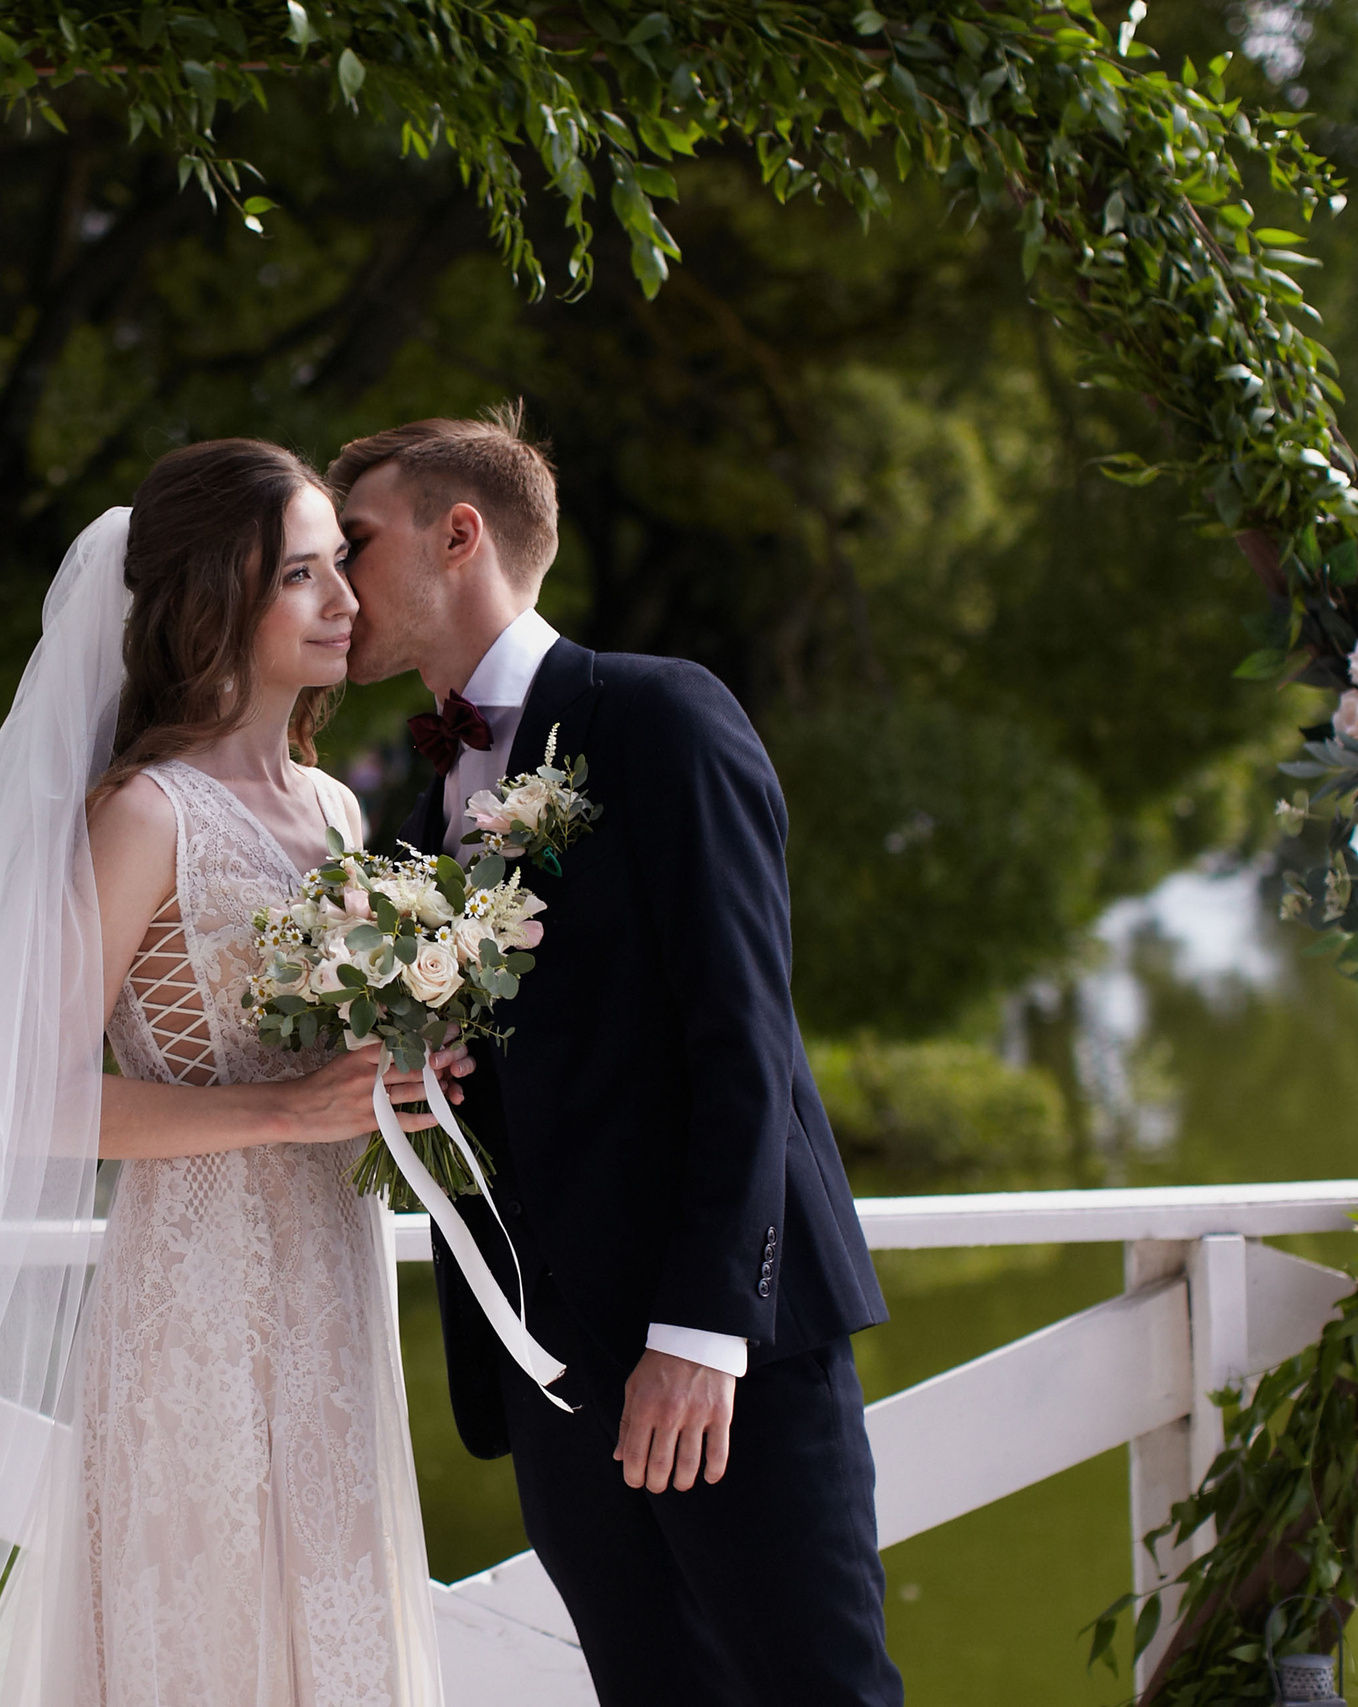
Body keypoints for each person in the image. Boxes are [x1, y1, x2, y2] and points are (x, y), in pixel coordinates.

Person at [0, 440, 443, 1707]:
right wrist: (277, 1109)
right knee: (207, 1633)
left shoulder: (336, 815)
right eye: (300, 577)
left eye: (341, 569)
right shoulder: (147, 814)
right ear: (215, 602)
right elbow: (36, 1104)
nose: (345, 604)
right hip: (198, 1299)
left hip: (336, 1277)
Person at [329, 404, 903, 1706]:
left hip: (720, 1349)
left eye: (352, 542)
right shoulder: (427, 809)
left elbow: (744, 1031)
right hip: (551, 1369)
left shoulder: (658, 713)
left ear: (457, 532)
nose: (328, 579)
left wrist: (704, 1328)